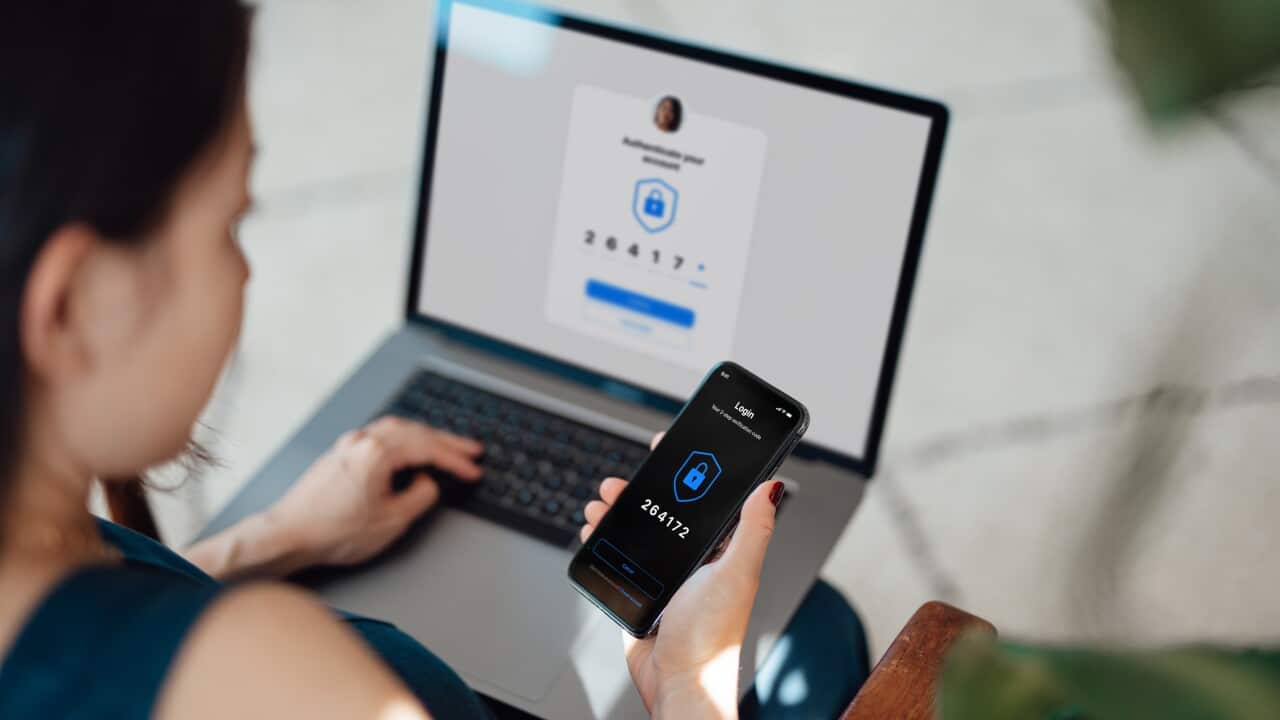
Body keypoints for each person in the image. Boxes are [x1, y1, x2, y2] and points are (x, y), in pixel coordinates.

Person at [0, 3, 866, 718]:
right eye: (230, 221)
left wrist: (274, 541)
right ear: (75, 304)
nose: (245, 271)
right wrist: (688, 687)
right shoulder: (265, 680)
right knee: (816, 637)